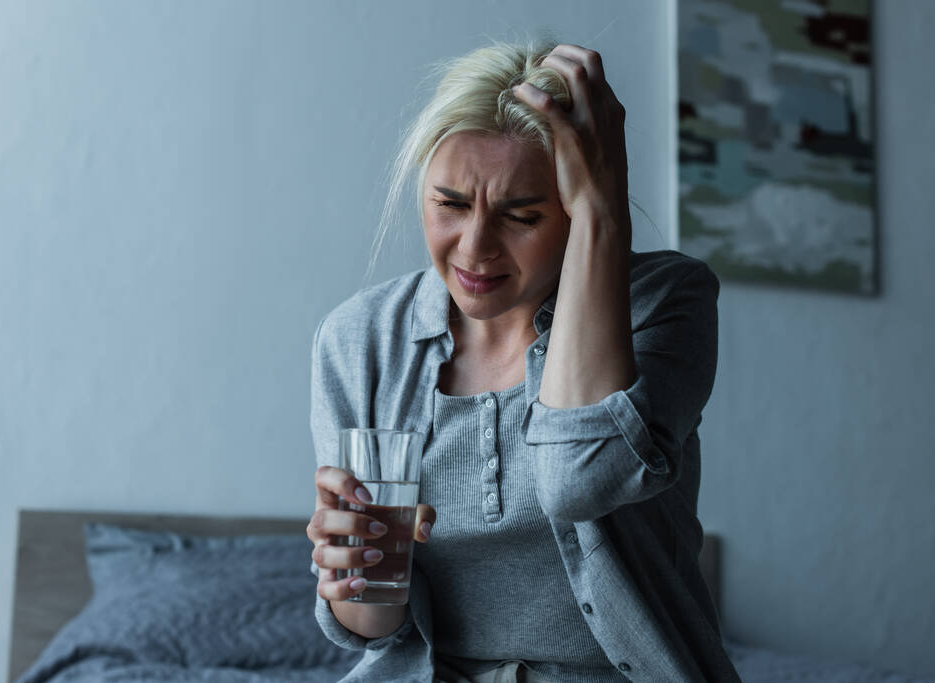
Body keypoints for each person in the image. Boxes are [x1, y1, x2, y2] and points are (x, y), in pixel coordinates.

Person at [305, 38, 741, 683]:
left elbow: (579, 482)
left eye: (522, 215)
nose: (474, 248)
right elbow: (376, 630)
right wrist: (351, 574)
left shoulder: (663, 302)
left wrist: (604, 214)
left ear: (573, 207)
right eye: (449, 204)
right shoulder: (361, 338)